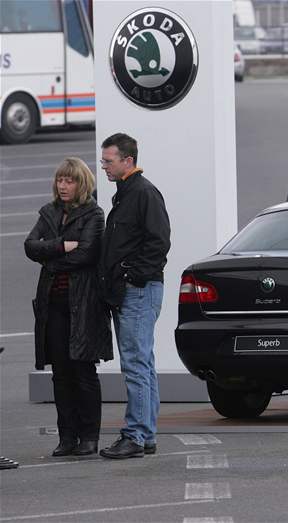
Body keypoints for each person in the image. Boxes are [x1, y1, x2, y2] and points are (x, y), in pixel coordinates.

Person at [24, 158, 112, 457]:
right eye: (60, 180)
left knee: (83, 371)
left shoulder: (94, 214)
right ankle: (67, 437)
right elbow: (29, 246)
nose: (63, 186)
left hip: (83, 305)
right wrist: (62, 246)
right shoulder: (48, 212)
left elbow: (86, 255)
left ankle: (90, 437)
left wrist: (49, 255)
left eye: (69, 180)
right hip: (53, 305)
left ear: (81, 183)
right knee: (60, 374)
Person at [97, 133, 171, 460]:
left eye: (108, 161)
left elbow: (159, 243)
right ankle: (146, 433)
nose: (104, 167)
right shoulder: (128, 193)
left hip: (138, 291)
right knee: (143, 362)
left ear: (128, 160)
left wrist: (131, 276)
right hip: (134, 289)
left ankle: (136, 435)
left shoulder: (142, 193)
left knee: (136, 363)